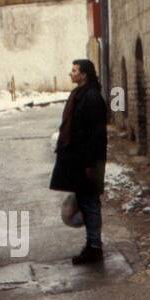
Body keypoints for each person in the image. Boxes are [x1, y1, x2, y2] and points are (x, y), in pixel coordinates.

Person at [50, 59, 108, 265]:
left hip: (88, 162)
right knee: (86, 201)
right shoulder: (79, 94)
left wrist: (91, 165)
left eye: (74, 71)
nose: (70, 73)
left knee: (90, 203)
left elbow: (96, 135)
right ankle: (92, 244)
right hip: (80, 160)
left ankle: (94, 247)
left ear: (84, 74)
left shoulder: (91, 97)